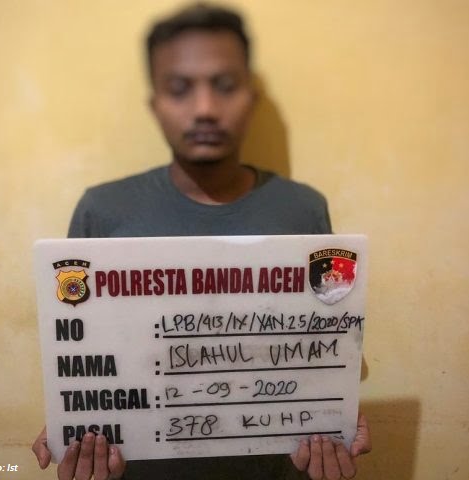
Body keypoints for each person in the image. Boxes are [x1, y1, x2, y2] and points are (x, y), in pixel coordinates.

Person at [32, 3, 371, 479]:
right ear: (155, 104)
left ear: (251, 98)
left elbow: (325, 350)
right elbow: (80, 356)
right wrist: (73, 425)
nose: (206, 108)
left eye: (225, 85)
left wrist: (335, 417)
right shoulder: (103, 211)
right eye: (179, 89)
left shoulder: (302, 209)